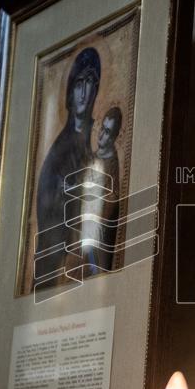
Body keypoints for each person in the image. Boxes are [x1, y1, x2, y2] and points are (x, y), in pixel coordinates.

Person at [33, 48, 101, 285]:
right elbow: (53, 226)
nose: (84, 92)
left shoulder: (90, 142)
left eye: (91, 82)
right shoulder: (61, 153)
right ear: (70, 94)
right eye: (79, 83)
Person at [80, 106, 122, 275]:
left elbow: (113, 198)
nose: (101, 135)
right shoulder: (92, 157)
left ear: (114, 137)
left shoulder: (112, 163)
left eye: (107, 132)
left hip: (99, 230)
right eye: (102, 129)